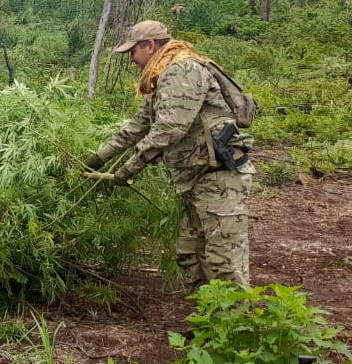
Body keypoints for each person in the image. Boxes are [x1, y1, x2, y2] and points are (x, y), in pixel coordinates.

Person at [84, 20, 255, 292]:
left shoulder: (182, 70)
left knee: (223, 262)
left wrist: (127, 170)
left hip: (219, 179)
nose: (131, 59)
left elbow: (169, 130)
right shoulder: (163, 75)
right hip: (195, 178)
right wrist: (97, 159)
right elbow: (137, 127)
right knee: (190, 256)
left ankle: (237, 330)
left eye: (133, 51)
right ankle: (207, 327)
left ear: (150, 45)